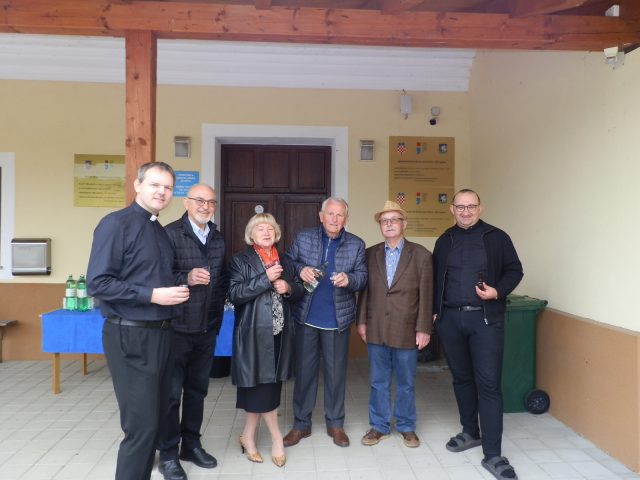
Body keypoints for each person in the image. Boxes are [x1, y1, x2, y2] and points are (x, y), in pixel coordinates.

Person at [87, 162, 190, 480]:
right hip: (130, 336)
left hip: (162, 335)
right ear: (137, 185)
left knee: (157, 419)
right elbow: (98, 283)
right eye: (155, 185)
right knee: (141, 428)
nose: (162, 192)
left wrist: (179, 285)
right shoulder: (115, 224)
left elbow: (151, 276)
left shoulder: (158, 230)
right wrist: (152, 295)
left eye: (168, 187)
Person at [433, 189, 523, 480]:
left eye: (471, 206)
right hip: (451, 319)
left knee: (488, 385)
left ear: (480, 209)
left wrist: (497, 291)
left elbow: (515, 270)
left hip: (485, 320)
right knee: (461, 379)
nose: (466, 211)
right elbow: (435, 279)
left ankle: (493, 454)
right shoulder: (444, 240)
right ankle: (470, 431)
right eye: (460, 207)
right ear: (452, 209)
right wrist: (435, 313)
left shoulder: (497, 237)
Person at [283, 197, 368, 448]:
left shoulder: (356, 244)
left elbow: (363, 277)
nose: (334, 219)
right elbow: (287, 261)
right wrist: (300, 269)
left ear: (346, 219)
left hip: (337, 320)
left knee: (336, 375)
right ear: (321, 216)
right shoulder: (304, 237)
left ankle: (335, 424)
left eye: (340, 215)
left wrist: (349, 280)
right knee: (304, 374)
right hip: (306, 317)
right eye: (330, 214)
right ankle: (301, 424)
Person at [156, 184, 227, 480]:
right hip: (175, 327)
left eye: (211, 202)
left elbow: (221, 282)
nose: (205, 206)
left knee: (197, 391)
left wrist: (216, 320)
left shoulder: (218, 238)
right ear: (186, 203)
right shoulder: (169, 234)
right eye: (199, 200)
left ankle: (191, 445)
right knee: (171, 394)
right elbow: (156, 275)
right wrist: (185, 277)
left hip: (206, 328)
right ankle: (168, 454)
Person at [228, 213, 304, 467]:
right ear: (251, 234)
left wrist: (289, 287)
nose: (266, 232)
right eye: (260, 228)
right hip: (253, 333)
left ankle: (247, 437)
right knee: (260, 387)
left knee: (267, 386)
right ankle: (276, 439)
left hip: (280, 333)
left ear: (276, 233)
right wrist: (266, 279)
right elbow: (235, 294)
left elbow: (299, 289)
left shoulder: (285, 260)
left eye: (270, 228)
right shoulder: (240, 260)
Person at [356, 200, 433, 448]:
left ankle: (406, 426)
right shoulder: (370, 254)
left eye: (394, 220)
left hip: (407, 328)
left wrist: (424, 328)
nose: (388, 224)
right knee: (378, 381)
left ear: (404, 224)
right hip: (376, 326)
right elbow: (365, 292)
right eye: (384, 221)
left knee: (406, 383)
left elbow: (427, 295)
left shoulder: (421, 255)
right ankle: (379, 426)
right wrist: (361, 322)